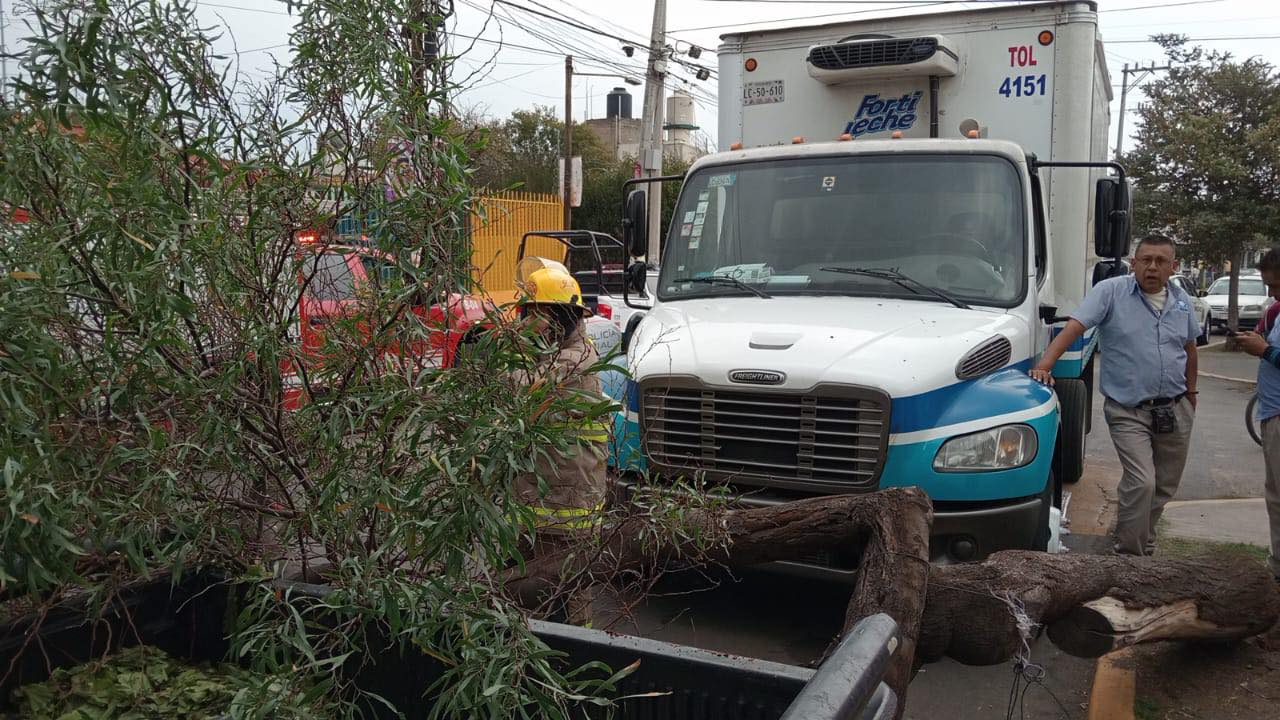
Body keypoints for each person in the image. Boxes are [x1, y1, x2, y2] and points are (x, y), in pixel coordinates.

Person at [1029, 235, 1199, 556]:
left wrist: (1191, 393)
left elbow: (1190, 349)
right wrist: (1045, 365)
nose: (1152, 267)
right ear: (1133, 263)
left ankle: (1141, 541)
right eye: (1145, 260)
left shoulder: (1181, 301)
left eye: (1160, 261)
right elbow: (1074, 327)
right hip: (1128, 410)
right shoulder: (1111, 292)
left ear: (1172, 267)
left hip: (1175, 408)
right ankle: (1129, 556)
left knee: (1163, 487)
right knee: (1142, 483)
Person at [511, 256, 609, 551]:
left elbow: (518, 389)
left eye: (533, 316)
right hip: (543, 502)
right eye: (524, 315)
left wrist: (515, 347)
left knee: (556, 589)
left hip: (561, 516)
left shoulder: (574, 360)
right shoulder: (558, 353)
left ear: (559, 317)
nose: (526, 323)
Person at [1229, 248, 1280, 583]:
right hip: (1271, 412)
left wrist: (1266, 351)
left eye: (1275, 285)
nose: (1272, 293)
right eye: (1268, 286)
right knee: (1275, 495)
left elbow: (1271, 351)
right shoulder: (1277, 309)